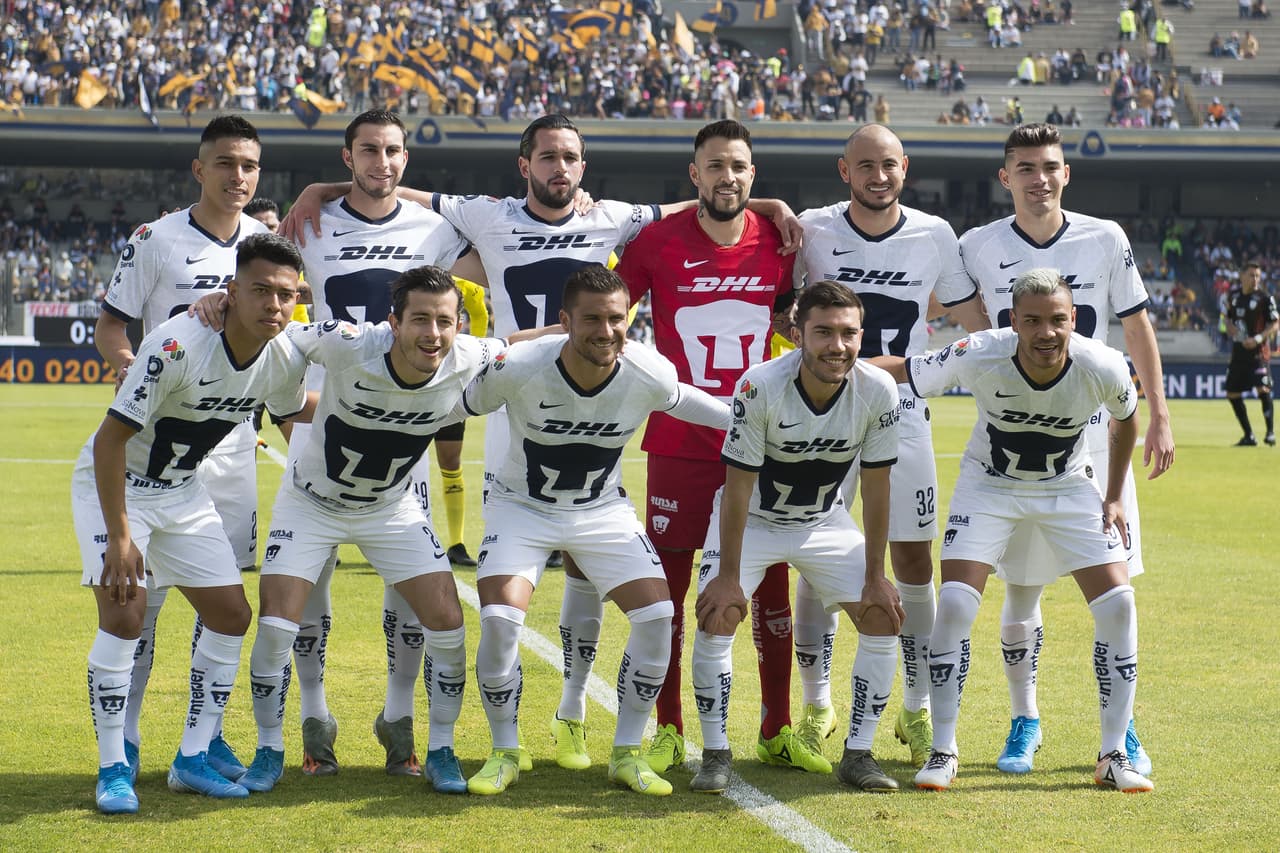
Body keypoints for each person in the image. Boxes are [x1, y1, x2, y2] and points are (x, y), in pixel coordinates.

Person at [284, 113, 801, 774]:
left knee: (588, 573)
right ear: (524, 165)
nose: (561, 168)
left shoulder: (612, 216)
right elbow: (392, 189)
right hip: (509, 406)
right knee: (497, 600)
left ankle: (573, 717)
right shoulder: (486, 213)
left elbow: (700, 196)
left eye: (571, 157)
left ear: (584, 167)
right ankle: (488, 739)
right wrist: (321, 189)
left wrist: (768, 201)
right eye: (548, 157)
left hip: (590, 406)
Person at [238, 265, 547, 795]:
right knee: (276, 627)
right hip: (311, 504)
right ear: (393, 323)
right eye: (420, 320)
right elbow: (276, 331)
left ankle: (440, 747)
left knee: (448, 624)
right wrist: (218, 310)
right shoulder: (350, 342)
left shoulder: (469, 355)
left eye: (444, 321)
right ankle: (271, 747)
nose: (433, 333)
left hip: (392, 508)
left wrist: (584, 332)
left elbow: (519, 344)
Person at [459, 265, 731, 797]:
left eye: (616, 319)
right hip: (521, 509)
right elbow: (458, 403)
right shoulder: (519, 366)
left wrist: (751, 419)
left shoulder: (645, 369)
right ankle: (505, 749)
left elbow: (692, 402)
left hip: (601, 511)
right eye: (592, 320)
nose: (606, 332)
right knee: (500, 620)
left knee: (657, 616)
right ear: (564, 322)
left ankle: (627, 753)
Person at [883, 269, 1153, 794]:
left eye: (1058, 320)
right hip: (989, 486)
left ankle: (1113, 753)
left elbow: (1127, 421)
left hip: (1070, 486)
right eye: (1032, 321)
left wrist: (1116, 495)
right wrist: (830, 364)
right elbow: (906, 370)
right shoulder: (980, 351)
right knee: (957, 606)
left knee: (1119, 604)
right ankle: (943, 750)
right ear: (1013, 321)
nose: (1046, 332)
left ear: (1074, 319)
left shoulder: (1101, 363)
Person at [958, 122, 1174, 777]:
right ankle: (1025, 719)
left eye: (1049, 166)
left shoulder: (1105, 237)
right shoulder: (977, 246)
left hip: (1094, 445)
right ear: (1006, 178)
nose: (1039, 177)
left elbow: (1136, 327)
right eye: (1025, 167)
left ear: (1065, 173)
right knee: (1022, 593)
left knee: (1113, 596)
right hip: (1015, 450)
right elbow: (972, 332)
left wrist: (1159, 416)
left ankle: (1121, 728)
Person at [278, 109, 489, 778]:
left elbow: (508, 244)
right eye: (369, 150)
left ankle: (400, 722)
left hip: (404, 438)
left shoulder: (437, 230)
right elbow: (266, 288)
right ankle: (316, 722)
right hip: (323, 429)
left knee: (411, 595)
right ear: (347, 156)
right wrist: (312, 193)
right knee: (309, 587)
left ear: (407, 158)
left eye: (394, 150)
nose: (383, 161)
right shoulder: (309, 222)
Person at [617, 120, 824, 778]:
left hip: (764, 441)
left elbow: (800, 327)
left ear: (751, 176)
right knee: (671, 588)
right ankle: (671, 728)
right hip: (682, 439)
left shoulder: (783, 242)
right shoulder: (656, 242)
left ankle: (776, 726)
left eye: (738, 166)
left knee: (771, 586)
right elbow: (613, 316)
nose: (726, 177)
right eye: (714, 166)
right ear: (694, 175)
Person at [76, 233, 306, 813]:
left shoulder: (282, 358)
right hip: (118, 486)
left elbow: (295, 416)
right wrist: (122, 537)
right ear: (230, 292)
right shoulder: (177, 344)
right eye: (260, 291)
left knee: (231, 614)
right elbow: (109, 443)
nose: (273, 305)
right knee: (126, 613)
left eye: (285, 295)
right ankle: (112, 768)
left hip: (181, 492)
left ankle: (192, 758)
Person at [795, 125, 989, 769]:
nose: (879, 176)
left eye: (890, 165)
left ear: (905, 168)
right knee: (815, 542)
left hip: (901, 412)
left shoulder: (936, 235)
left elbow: (976, 328)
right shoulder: (812, 228)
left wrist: (915, 366)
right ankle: (817, 702)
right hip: (820, 412)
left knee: (912, 557)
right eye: (865, 166)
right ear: (843, 170)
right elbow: (778, 307)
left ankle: (917, 702)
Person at [92, 114, 269, 792]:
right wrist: (137, 367)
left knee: (220, 602)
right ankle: (128, 737)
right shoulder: (157, 239)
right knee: (147, 600)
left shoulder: (264, 243)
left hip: (230, 449)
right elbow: (112, 323)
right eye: (225, 163)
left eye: (249, 165)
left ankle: (206, 733)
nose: (238, 176)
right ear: (200, 169)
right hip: (157, 441)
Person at [690, 281, 905, 794]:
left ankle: (859, 753)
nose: (838, 345)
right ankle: (716, 754)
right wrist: (726, 576)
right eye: (824, 332)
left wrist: (876, 576)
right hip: (755, 522)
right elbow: (737, 488)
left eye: (849, 333)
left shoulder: (877, 388)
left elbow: (877, 489)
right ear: (796, 333)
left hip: (823, 522)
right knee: (717, 612)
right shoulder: (760, 384)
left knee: (883, 612)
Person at [1223, 260, 1278, 445]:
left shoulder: (1265, 298)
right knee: (1232, 393)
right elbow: (1228, 321)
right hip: (1239, 354)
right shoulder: (1233, 296)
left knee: (1263, 388)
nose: (1255, 279)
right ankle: (1249, 435)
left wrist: (1259, 338)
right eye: (1251, 275)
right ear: (1242, 276)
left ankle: (1270, 433)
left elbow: (1275, 323)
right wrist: (1236, 334)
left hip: (1259, 354)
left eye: (1257, 276)